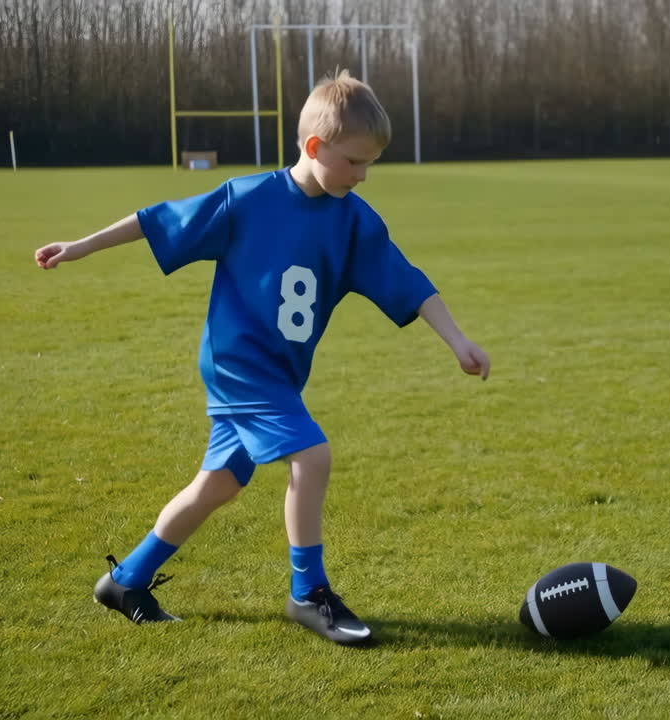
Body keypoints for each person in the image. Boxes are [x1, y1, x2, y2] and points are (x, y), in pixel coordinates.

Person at [33, 69, 490, 645]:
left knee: (219, 484)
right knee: (313, 456)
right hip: (238, 366)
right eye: (354, 162)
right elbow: (157, 220)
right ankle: (309, 594)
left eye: (371, 163)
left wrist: (457, 340)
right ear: (315, 146)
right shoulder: (247, 199)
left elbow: (409, 282)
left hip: (279, 375)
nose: (364, 175)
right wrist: (79, 247)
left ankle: (126, 580)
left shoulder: (353, 222)